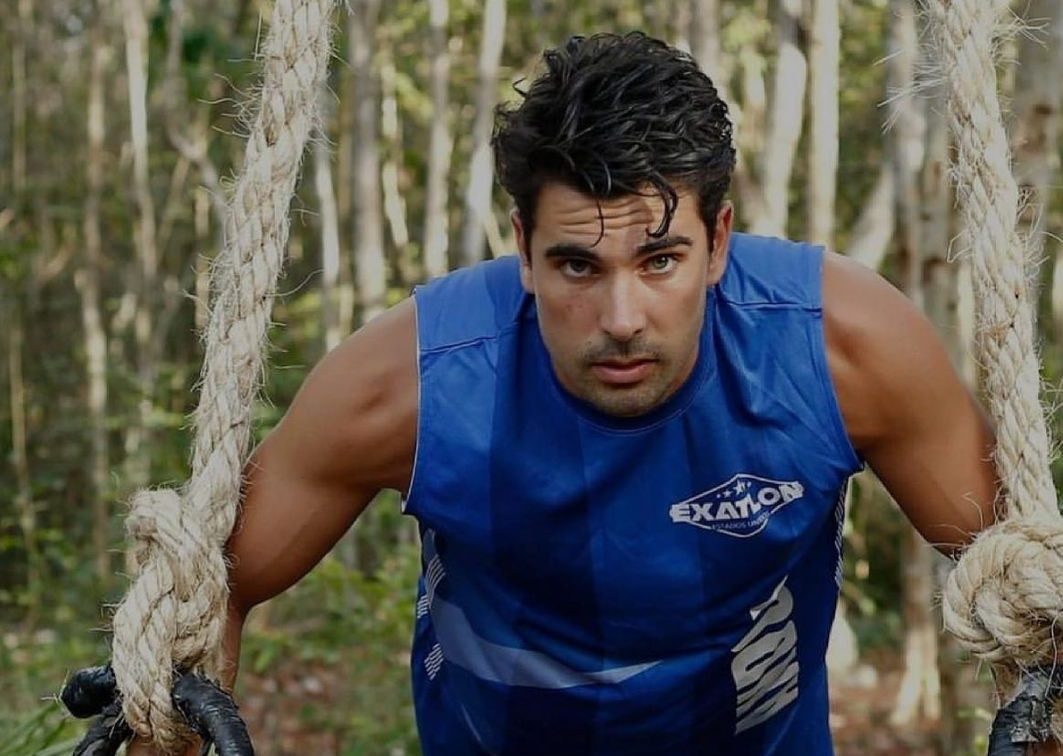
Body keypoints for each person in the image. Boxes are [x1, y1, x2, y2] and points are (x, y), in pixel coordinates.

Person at [132, 31, 1016, 755]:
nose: (621, 319)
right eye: (576, 266)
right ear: (522, 249)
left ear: (718, 241)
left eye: (659, 260)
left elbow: (1025, 592)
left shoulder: (841, 349)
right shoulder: (410, 384)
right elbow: (212, 594)